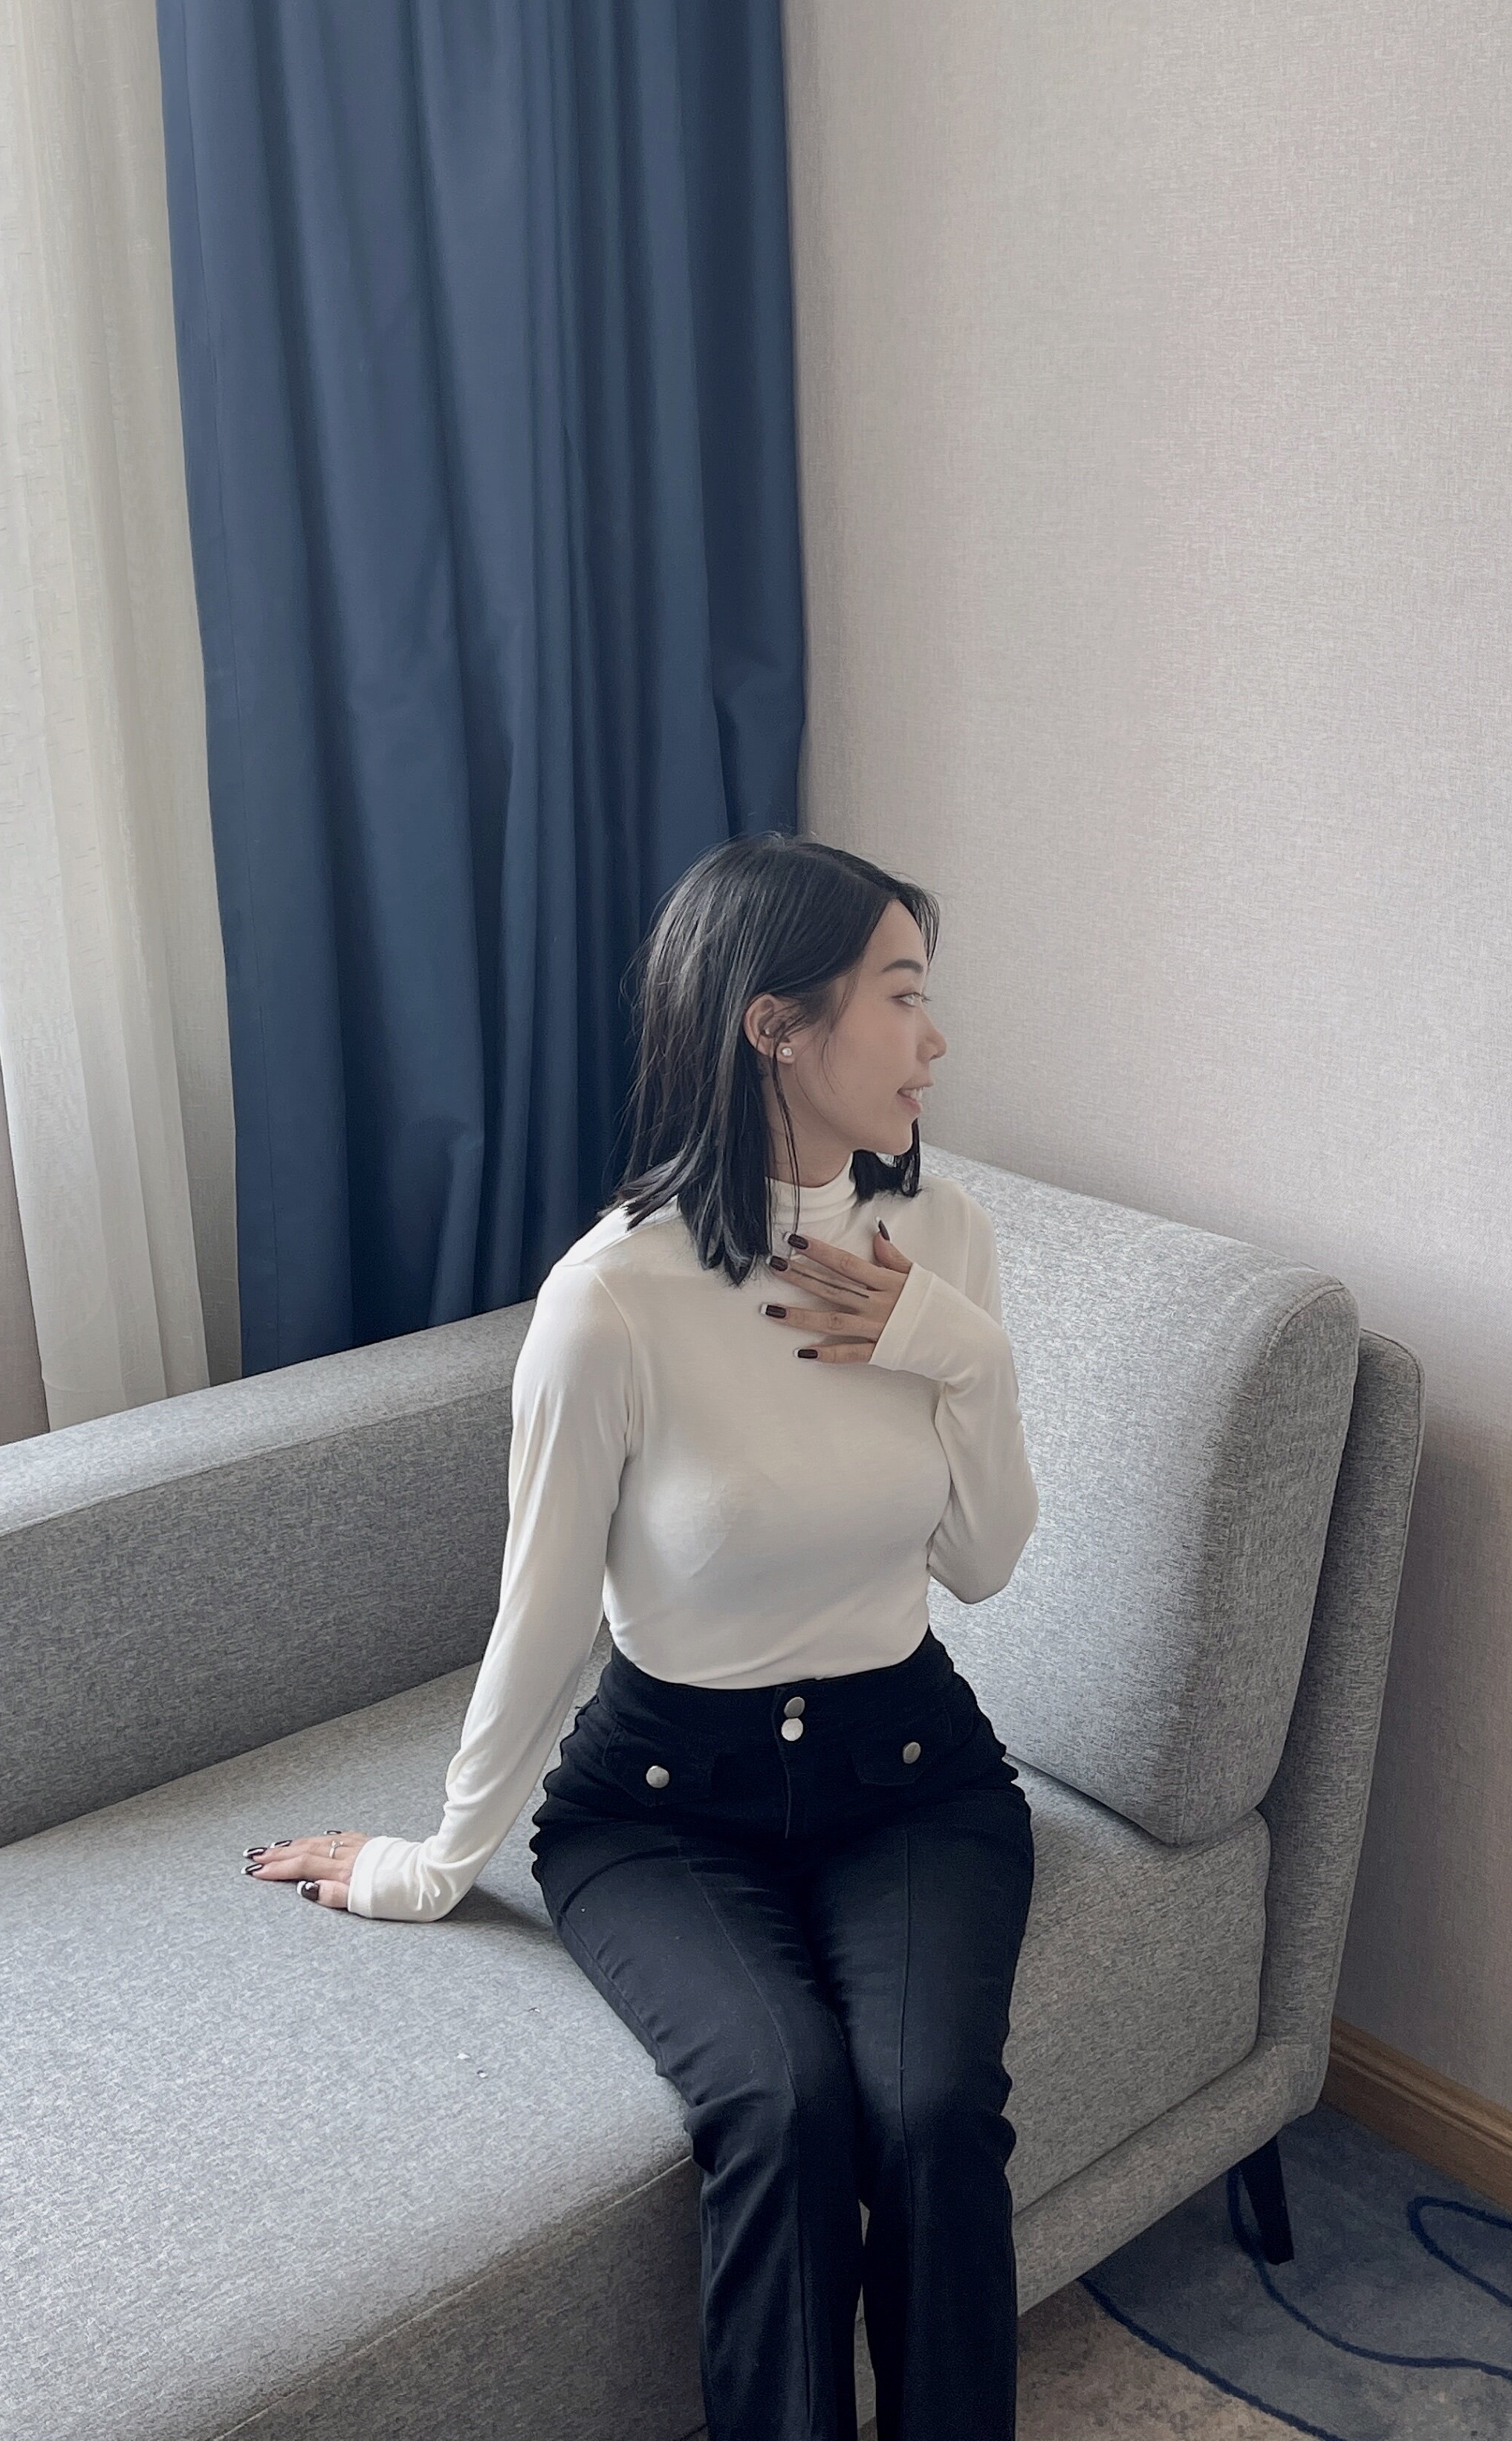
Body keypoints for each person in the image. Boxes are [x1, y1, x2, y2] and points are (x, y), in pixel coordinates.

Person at [242, 833, 1042, 2441]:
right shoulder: (610, 1301)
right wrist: (433, 1862)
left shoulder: (941, 1242)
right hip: (666, 1811)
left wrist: (961, 1355)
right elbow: (540, 1615)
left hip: (912, 1779)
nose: (936, 1039)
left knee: (933, 2110)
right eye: (901, 997)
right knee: (785, 2105)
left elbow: (983, 1564)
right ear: (776, 1027)